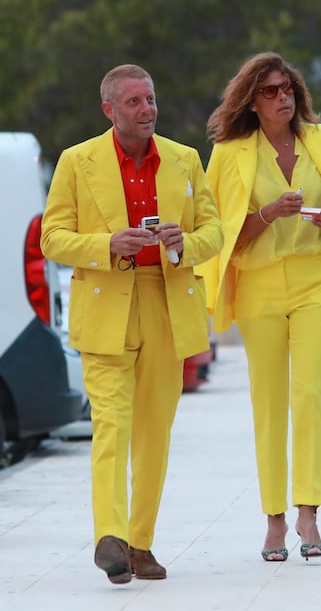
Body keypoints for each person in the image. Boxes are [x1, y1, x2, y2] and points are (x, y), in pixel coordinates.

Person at [41, 64, 223, 583]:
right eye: (135, 102)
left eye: (151, 99)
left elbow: (213, 229)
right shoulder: (78, 161)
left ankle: (141, 545)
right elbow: (52, 238)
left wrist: (183, 241)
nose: (147, 110)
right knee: (112, 426)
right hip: (106, 306)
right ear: (110, 110)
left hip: (167, 304)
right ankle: (111, 538)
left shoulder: (184, 160)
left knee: (153, 435)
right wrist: (106, 245)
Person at [200, 52, 321, 561]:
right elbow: (221, 233)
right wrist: (269, 213)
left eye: (287, 88)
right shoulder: (230, 153)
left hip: (315, 278)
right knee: (268, 401)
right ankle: (273, 519)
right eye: (270, 91)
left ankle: (308, 511)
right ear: (251, 101)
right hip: (259, 285)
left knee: (310, 395)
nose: (282, 97)